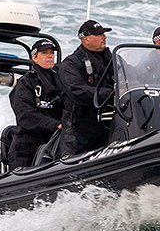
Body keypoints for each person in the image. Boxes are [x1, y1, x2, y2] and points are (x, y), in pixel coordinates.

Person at [58, 19, 114, 156]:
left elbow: (130, 77)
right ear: (86, 39)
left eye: (104, 34)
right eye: (99, 34)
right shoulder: (71, 64)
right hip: (78, 129)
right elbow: (77, 90)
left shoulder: (112, 60)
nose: (104, 37)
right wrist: (111, 94)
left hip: (107, 124)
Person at [7, 38, 62, 169]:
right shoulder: (25, 83)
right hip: (26, 149)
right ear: (35, 57)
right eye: (45, 53)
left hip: (54, 144)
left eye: (51, 53)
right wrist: (56, 125)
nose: (49, 56)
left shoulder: (61, 80)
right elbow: (25, 115)